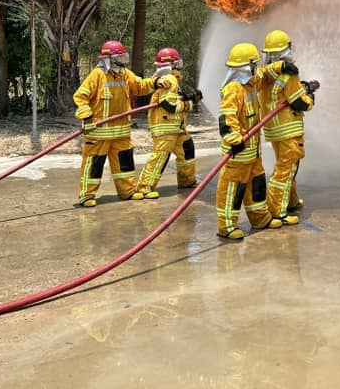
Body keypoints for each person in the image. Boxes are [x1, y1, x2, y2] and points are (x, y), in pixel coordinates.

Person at [216, 43, 299, 240]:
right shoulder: (233, 89)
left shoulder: (251, 83)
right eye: (254, 65)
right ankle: (227, 226)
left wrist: (281, 67)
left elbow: (265, 72)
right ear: (245, 67)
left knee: (257, 185)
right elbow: (227, 118)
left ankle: (260, 218)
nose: (257, 68)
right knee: (233, 189)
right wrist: (234, 139)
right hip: (238, 152)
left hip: (253, 152)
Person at [73, 40, 156, 207]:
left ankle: (128, 191)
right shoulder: (97, 75)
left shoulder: (125, 74)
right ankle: (86, 196)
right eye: (120, 56)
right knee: (94, 165)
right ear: (109, 58)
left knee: (124, 164)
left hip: (121, 133)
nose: (123, 60)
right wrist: (86, 114)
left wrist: (156, 82)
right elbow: (80, 96)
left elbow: (140, 86)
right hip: (98, 134)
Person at [258, 30, 318, 227]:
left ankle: (291, 202)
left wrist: (303, 86)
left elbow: (281, 93)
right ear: (287, 49)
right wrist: (310, 99)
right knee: (286, 168)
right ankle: (277, 212)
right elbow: (298, 102)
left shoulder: (266, 72)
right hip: (289, 128)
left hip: (274, 130)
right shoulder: (290, 72)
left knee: (289, 166)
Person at [132, 47, 202, 200]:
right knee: (160, 157)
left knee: (187, 149)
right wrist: (188, 104)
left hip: (177, 128)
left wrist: (189, 97)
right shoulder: (170, 79)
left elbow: (173, 99)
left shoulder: (171, 79)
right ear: (172, 64)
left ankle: (187, 181)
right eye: (178, 62)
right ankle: (144, 187)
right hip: (166, 127)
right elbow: (167, 105)